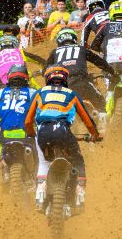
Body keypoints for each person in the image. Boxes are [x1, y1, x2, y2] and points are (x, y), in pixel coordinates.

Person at [24, 66, 102, 213]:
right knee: (78, 161)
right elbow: (87, 120)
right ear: (65, 79)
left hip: (42, 133)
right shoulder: (72, 94)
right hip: (63, 132)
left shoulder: (40, 92)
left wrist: (32, 134)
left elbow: (28, 121)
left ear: (48, 79)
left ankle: (40, 196)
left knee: (43, 162)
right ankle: (79, 197)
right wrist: (95, 135)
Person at [0, 64, 39, 184]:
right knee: (41, 150)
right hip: (26, 135)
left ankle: (4, 168)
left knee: (1, 143)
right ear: (26, 79)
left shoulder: (0, 93)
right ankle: (39, 175)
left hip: (6, 136)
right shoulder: (32, 93)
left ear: (8, 78)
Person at [44, 27, 114, 123]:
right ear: (73, 38)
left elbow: (46, 70)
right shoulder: (81, 49)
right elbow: (98, 61)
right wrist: (111, 71)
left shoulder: (55, 52)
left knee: (55, 108)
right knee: (100, 101)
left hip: (63, 86)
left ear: (59, 40)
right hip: (82, 83)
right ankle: (104, 127)